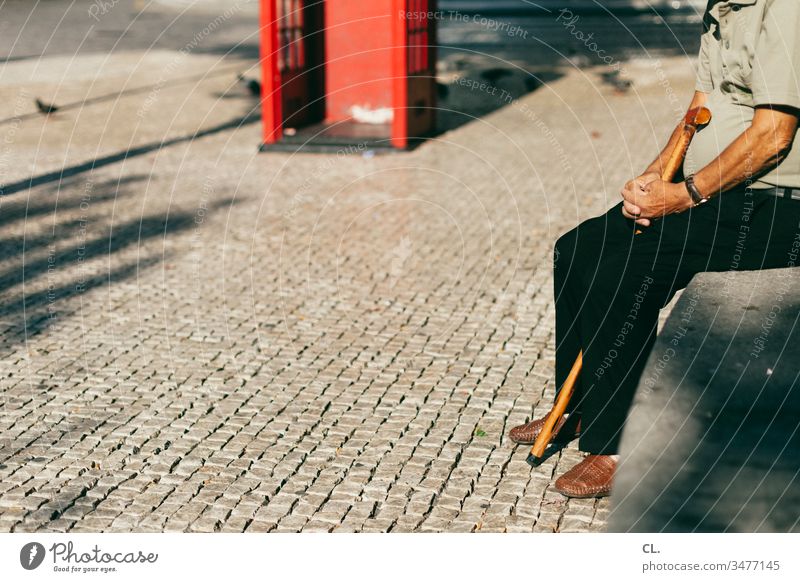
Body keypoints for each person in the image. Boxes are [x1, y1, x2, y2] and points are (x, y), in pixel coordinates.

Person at [509, 0, 800, 498]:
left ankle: (619, 443)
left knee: (624, 269)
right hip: (720, 189)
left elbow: (774, 135)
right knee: (579, 248)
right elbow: (696, 116)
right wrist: (652, 180)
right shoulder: (722, 11)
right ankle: (580, 403)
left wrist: (685, 195)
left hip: (777, 204)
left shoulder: (785, 9)